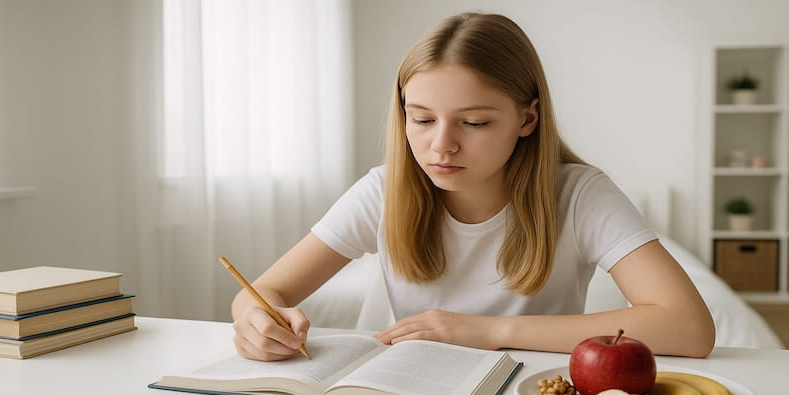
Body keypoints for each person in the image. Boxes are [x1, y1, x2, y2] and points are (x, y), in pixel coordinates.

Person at [231, 12, 715, 361]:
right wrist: (257, 321)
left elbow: (689, 327)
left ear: (527, 118)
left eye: (475, 123)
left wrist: (485, 331)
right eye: (421, 119)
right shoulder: (382, 190)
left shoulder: (580, 195)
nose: (441, 146)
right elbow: (265, 290)